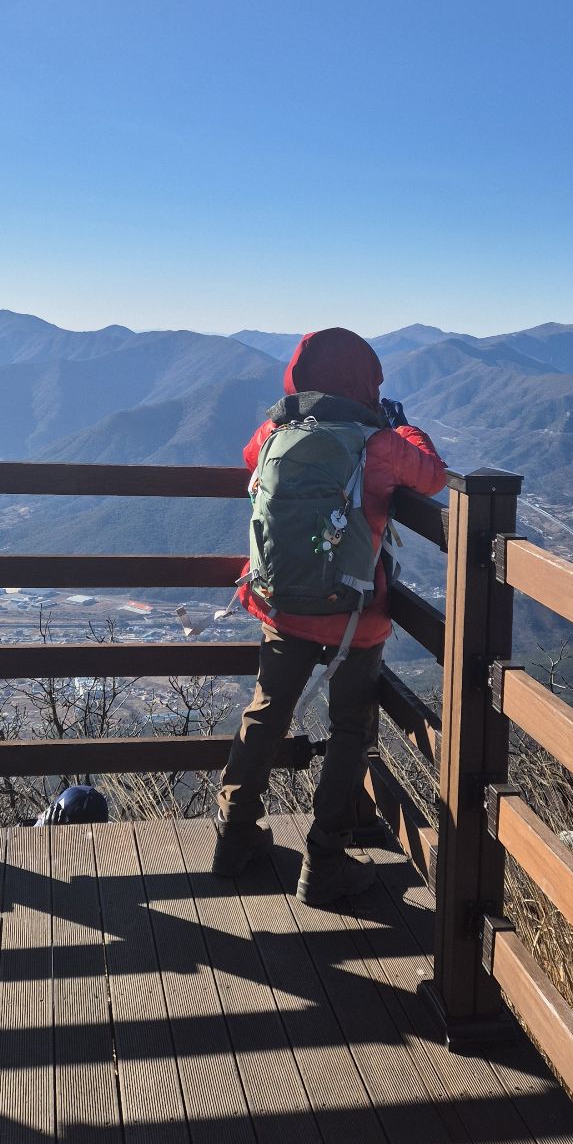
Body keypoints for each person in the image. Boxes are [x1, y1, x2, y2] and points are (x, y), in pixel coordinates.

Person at [212, 326, 447, 905]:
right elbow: (432, 475)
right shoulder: (377, 443)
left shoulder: (274, 431)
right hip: (353, 617)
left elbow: (249, 458)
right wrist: (400, 425)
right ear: (365, 382)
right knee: (349, 729)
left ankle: (234, 835)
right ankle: (324, 859)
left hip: (281, 602)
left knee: (266, 711)